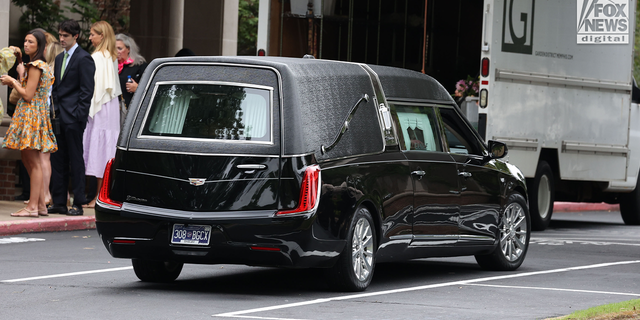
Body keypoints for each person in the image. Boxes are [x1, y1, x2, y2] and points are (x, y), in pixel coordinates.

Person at [0, 29, 57, 217]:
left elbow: (27, 94)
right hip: (37, 115)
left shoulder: (36, 65)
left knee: (33, 162)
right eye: (25, 41)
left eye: (30, 42)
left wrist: (11, 82)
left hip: (31, 115)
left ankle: (32, 207)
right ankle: (40, 205)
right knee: (30, 160)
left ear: (39, 46)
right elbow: (32, 85)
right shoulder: (42, 65)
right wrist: (19, 61)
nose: (26, 44)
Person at [49, 20, 96, 216]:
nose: (61, 39)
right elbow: (58, 88)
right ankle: (59, 201)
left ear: (75, 36)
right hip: (58, 116)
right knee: (57, 160)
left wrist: (79, 116)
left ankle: (78, 202)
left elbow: (87, 91)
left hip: (74, 118)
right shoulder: (60, 58)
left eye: (65, 36)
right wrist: (55, 111)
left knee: (76, 160)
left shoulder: (84, 58)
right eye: (60, 35)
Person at [82, 21, 121, 209]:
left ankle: (97, 195)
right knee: (106, 149)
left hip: (100, 106)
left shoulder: (98, 56)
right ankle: (101, 194)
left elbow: (93, 85)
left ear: (102, 36)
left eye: (92, 34)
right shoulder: (112, 56)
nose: (90, 38)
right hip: (110, 105)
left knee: (99, 149)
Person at [115, 33, 147, 109]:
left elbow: (149, 89)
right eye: (114, 48)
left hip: (132, 109)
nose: (116, 51)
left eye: (120, 48)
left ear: (128, 49)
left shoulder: (140, 65)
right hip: (115, 109)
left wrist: (137, 88)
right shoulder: (111, 66)